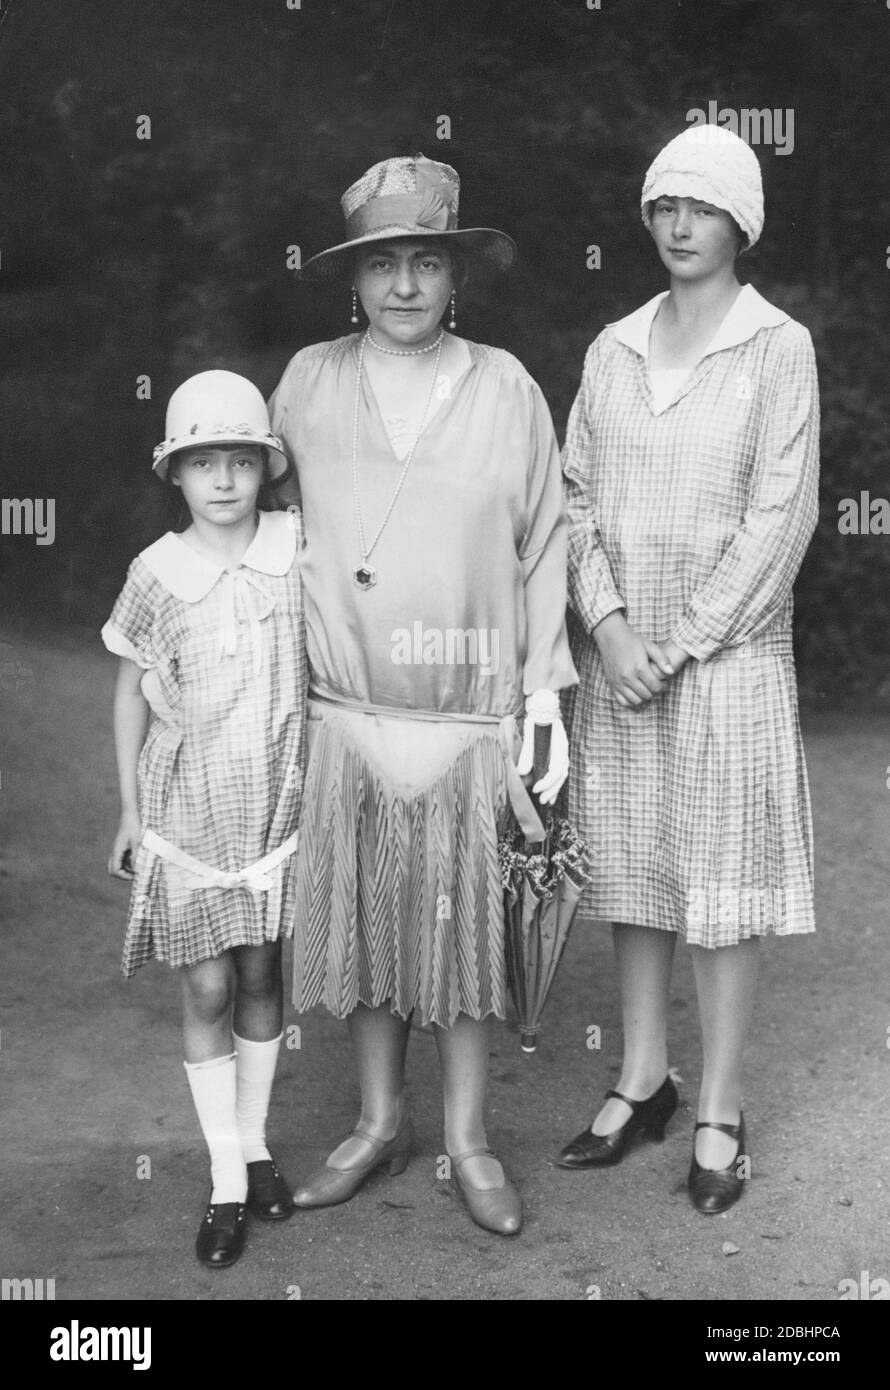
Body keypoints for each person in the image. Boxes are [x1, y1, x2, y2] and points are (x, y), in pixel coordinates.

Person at [269, 153, 576, 1236]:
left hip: (466, 719)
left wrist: (543, 693)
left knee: (461, 942)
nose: (404, 285)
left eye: (425, 263)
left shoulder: (505, 386)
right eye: (382, 265)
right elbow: (258, 530)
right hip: (348, 713)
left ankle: (467, 1138)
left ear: (455, 276)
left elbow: (546, 543)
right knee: (364, 934)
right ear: (351, 281)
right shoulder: (303, 384)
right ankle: (372, 1123)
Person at [557, 125, 819, 1214]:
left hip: (724, 660)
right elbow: (570, 499)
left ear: (739, 223)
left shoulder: (776, 347)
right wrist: (610, 626)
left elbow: (781, 514)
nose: (676, 225)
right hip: (624, 664)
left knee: (720, 880)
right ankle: (639, 1077)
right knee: (634, 865)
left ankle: (715, 1103)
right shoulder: (611, 348)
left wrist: (680, 638)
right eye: (662, 204)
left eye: (700, 207)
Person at [104, 371, 307, 1267]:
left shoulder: (295, 548)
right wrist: (129, 808)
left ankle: (255, 1144)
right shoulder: (157, 573)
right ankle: (225, 1177)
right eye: (202, 464)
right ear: (175, 475)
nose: (223, 480)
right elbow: (130, 694)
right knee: (209, 989)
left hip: (274, 805)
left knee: (263, 977)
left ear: (264, 469)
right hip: (189, 809)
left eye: (239, 461)